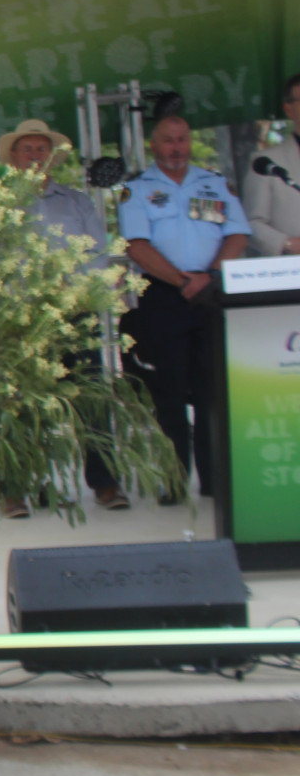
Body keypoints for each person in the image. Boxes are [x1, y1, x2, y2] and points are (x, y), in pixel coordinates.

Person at [0, 118, 129, 512]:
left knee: (90, 398)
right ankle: (17, 487)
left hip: (74, 314)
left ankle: (105, 483)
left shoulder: (76, 201)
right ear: (14, 158)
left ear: (51, 156)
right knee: (19, 404)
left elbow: (97, 254)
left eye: (42, 149)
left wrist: (75, 294)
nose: (36, 157)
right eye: (28, 150)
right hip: (22, 319)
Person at [119, 109, 252, 500]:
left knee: (213, 390)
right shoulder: (137, 189)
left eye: (182, 140)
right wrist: (182, 281)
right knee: (169, 391)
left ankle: (215, 480)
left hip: (211, 292)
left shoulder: (213, 184)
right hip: (163, 295)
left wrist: (207, 277)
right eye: (169, 140)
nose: (177, 148)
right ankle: (174, 481)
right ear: (153, 145)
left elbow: (237, 236)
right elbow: (137, 247)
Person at [245, 72, 300, 256]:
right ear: (289, 109)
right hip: (291, 273)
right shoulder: (267, 162)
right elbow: (252, 222)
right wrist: (288, 243)